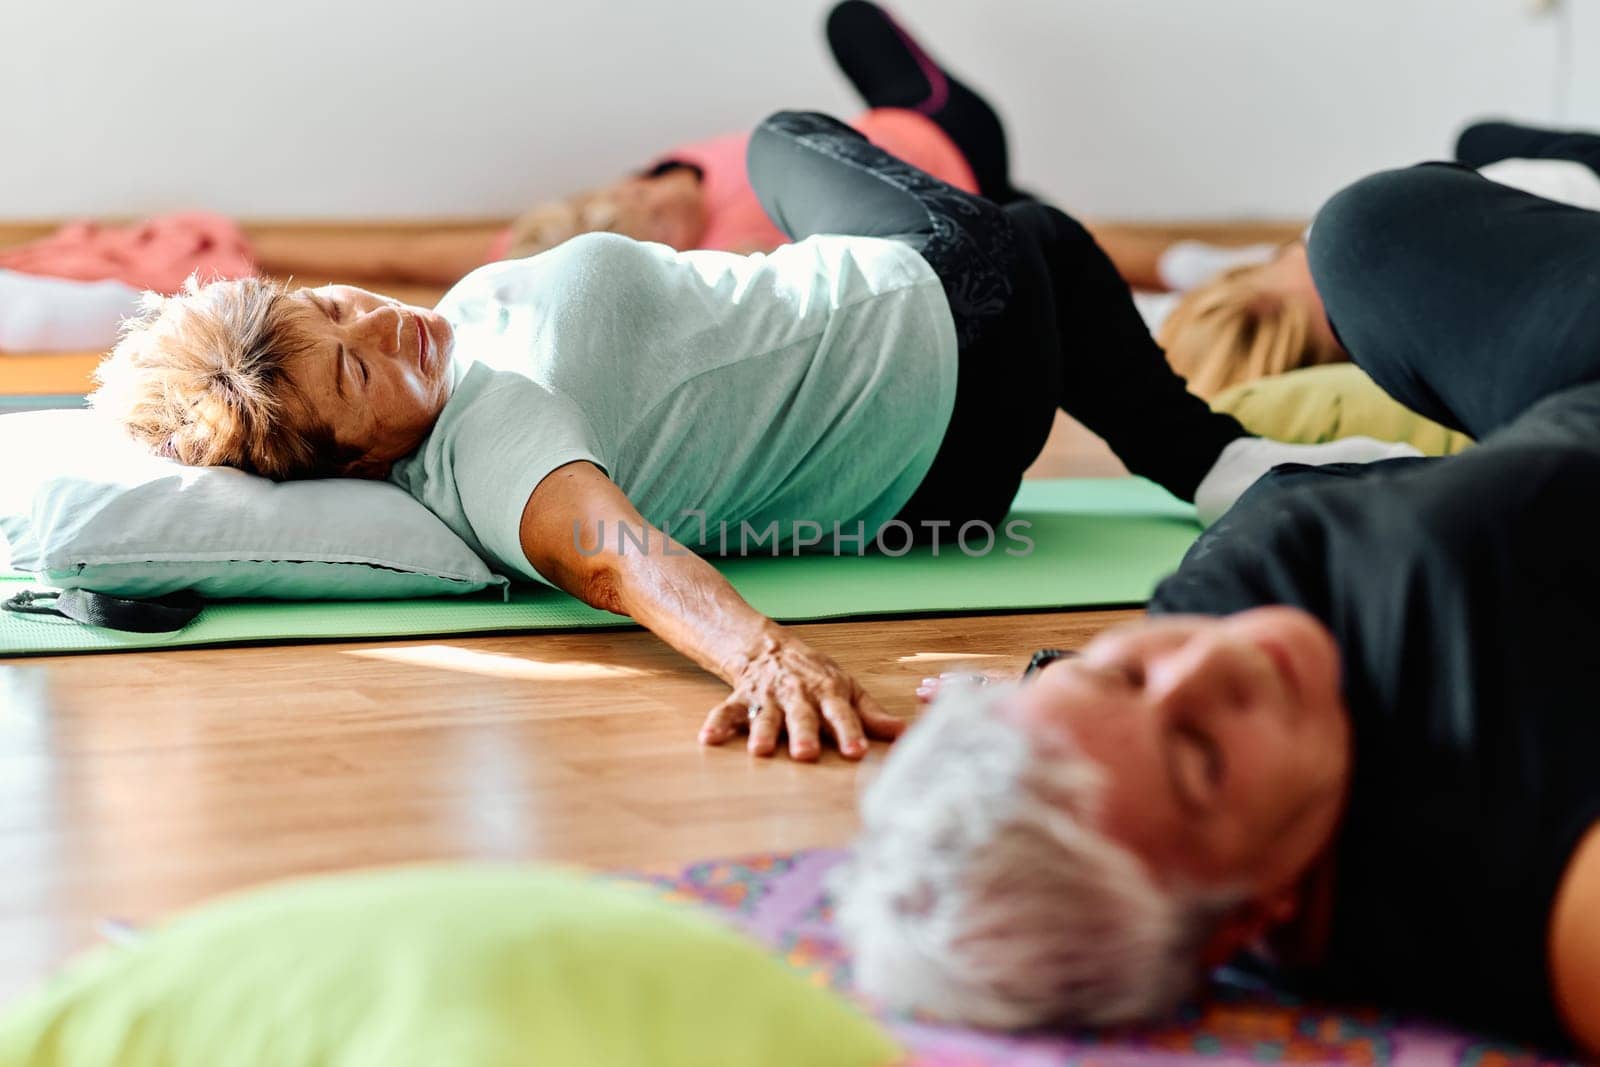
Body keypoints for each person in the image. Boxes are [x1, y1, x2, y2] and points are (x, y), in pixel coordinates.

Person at [87, 105, 1413, 762]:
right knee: (794, 139)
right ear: (356, 458)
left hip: (951, 439)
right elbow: (614, 553)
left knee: (1052, 242)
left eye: (339, 311)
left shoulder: (467, 333)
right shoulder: (489, 443)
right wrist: (767, 654)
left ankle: (1219, 464)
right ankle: (1216, 455)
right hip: (951, 313)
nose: (387, 334)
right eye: (357, 379)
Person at [832, 163, 1600, 1054]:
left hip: (1524, 421)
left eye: (1125, 674)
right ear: (1244, 922)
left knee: (1365, 235)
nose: (1207, 663)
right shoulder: (1519, 882)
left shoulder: (1233, 639)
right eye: (1199, 758)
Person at [243, 1, 1017, 287]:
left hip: (930, 165)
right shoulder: (737, 246)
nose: (648, 190)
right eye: (650, 210)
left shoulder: (582, 214)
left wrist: (250, 240)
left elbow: (399, 256)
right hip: (945, 132)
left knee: (848, 19)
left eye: (632, 189)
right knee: (1028, 236)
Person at [1142, 120, 1600, 399]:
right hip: (1572, 186)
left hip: (1548, 210)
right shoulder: (1347, 251)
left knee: (1473, 140)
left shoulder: (1338, 332)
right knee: (1475, 138)